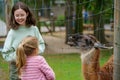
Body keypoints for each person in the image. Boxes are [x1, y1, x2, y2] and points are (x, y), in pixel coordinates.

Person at [1, 1, 45, 80]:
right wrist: (20, 57)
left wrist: (33, 54)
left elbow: (41, 44)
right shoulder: (12, 32)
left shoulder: (34, 29)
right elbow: (5, 54)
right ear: (13, 16)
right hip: (17, 67)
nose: (20, 17)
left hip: (33, 65)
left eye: (22, 15)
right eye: (17, 15)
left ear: (27, 14)